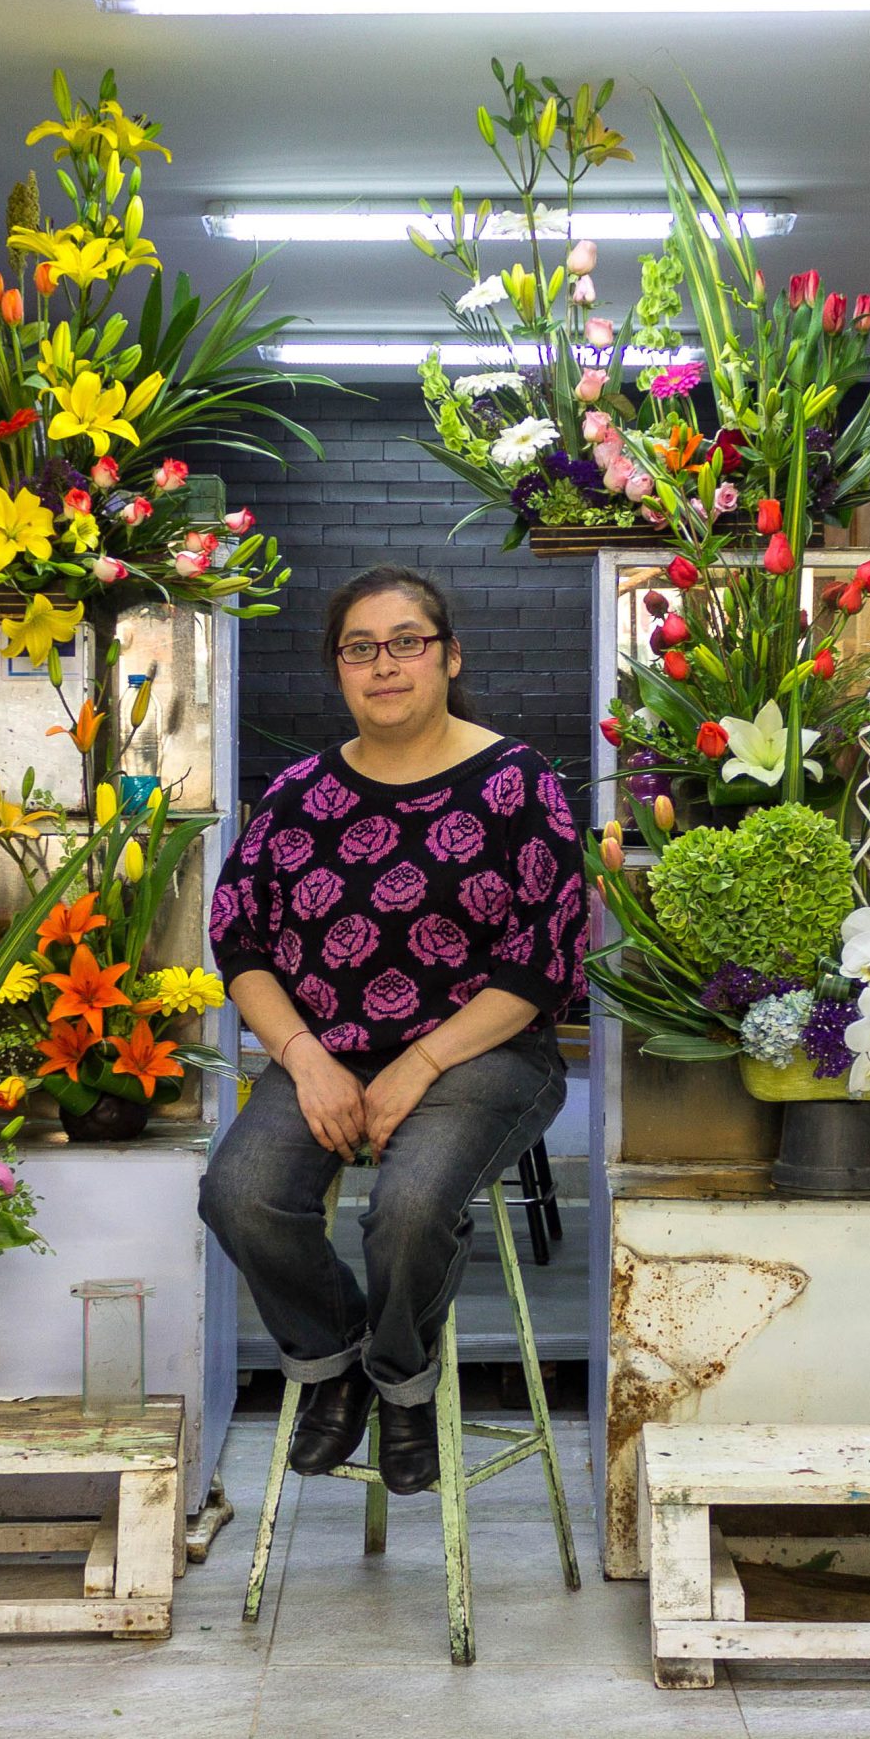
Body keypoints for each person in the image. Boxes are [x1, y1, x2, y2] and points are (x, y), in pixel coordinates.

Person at [200, 566, 585, 1494]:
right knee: (240, 1192)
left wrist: (419, 1062)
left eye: (407, 642)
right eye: (361, 649)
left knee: (408, 1209)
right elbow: (239, 939)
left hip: (484, 1053)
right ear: (338, 670)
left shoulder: (519, 784)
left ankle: (403, 1382)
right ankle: (335, 1362)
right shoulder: (298, 795)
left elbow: (540, 967)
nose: (385, 665)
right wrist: (302, 1057)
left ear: (450, 656)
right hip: (325, 1050)